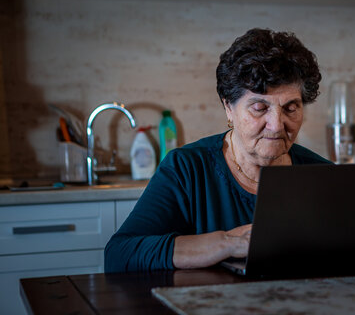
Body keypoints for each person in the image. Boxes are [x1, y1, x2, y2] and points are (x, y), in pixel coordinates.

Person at [105, 28, 332, 272]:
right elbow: (120, 254)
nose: (276, 125)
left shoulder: (322, 175)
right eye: (259, 107)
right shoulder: (187, 169)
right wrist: (227, 243)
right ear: (228, 107)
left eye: (290, 108)